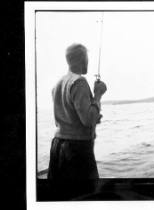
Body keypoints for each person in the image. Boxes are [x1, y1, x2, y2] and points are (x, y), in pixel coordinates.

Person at [47, 43, 107, 198]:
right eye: (86, 58)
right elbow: (87, 119)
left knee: (60, 196)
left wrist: (93, 116)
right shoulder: (79, 82)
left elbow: (70, 117)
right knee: (86, 196)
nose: (88, 62)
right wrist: (98, 95)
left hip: (57, 148)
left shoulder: (58, 84)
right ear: (82, 60)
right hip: (77, 150)